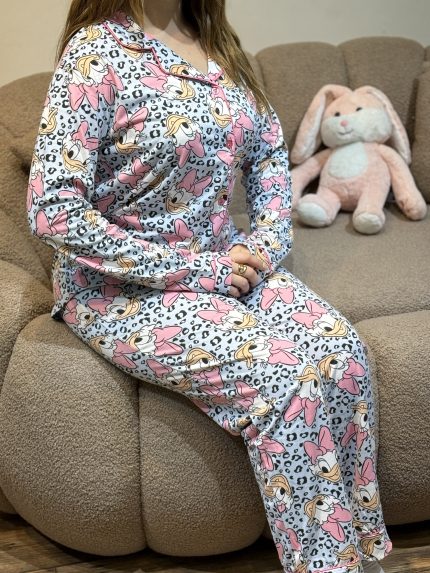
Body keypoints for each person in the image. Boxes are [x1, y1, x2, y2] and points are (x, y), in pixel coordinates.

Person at [26, 1, 393, 572]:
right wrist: (201, 272)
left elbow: (268, 155)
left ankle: (361, 553)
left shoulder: (219, 45)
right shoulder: (96, 52)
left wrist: (265, 244)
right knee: (283, 379)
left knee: (343, 356)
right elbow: (52, 209)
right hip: (120, 289)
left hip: (229, 266)